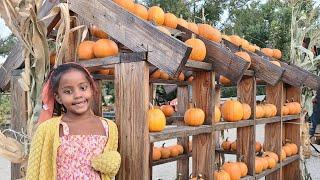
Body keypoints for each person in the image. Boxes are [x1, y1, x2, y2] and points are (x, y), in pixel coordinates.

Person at [26, 63, 121, 180]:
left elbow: (110, 169)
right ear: (58, 97)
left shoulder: (109, 127)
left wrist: (112, 161)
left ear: (91, 88)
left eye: (83, 88)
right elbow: (33, 171)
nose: (77, 95)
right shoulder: (47, 129)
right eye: (68, 91)